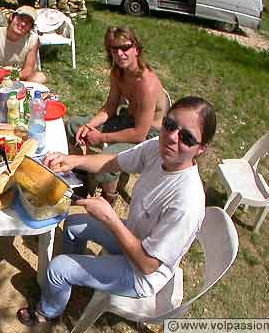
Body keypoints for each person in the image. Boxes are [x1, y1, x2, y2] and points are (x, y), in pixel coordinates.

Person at [16, 96, 216, 326]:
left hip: (141, 274)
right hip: (133, 237)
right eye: (170, 125)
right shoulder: (158, 149)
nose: (172, 137)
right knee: (73, 225)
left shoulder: (187, 202)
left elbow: (148, 265)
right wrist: (72, 161)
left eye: (187, 137)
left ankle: (48, 313)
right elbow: (113, 162)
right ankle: (74, 283)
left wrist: (111, 219)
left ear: (201, 149)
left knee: (58, 269)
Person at [67, 26, 168, 204]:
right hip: (127, 120)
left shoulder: (147, 84)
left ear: (136, 49)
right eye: (114, 49)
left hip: (149, 134)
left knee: (107, 159)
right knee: (73, 125)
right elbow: (110, 107)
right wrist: (89, 125)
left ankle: (108, 198)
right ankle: (81, 177)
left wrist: (101, 137)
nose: (120, 54)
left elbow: (139, 134)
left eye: (125, 48)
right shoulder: (118, 72)